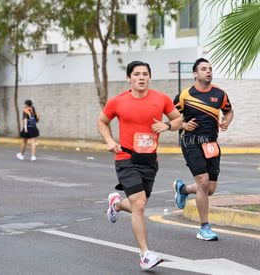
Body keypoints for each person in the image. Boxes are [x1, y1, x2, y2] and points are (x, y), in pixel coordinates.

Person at [97, 61, 182, 271]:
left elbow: (180, 119)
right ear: (129, 78)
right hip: (126, 157)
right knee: (140, 204)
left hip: (149, 160)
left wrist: (168, 125)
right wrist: (109, 141)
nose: (141, 77)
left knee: (137, 204)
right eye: (137, 74)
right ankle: (145, 255)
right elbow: (101, 121)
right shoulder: (118, 102)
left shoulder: (161, 99)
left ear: (150, 78)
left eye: (145, 74)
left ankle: (116, 204)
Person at [173, 57, 234, 241]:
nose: (208, 71)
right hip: (191, 142)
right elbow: (172, 117)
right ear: (195, 74)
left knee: (210, 188)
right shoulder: (185, 95)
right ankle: (204, 227)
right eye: (203, 69)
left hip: (211, 143)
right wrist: (183, 124)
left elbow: (229, 111)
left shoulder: (220, 94)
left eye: (210, 68)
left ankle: (182, 190)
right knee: (203, 181)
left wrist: (226, 121)